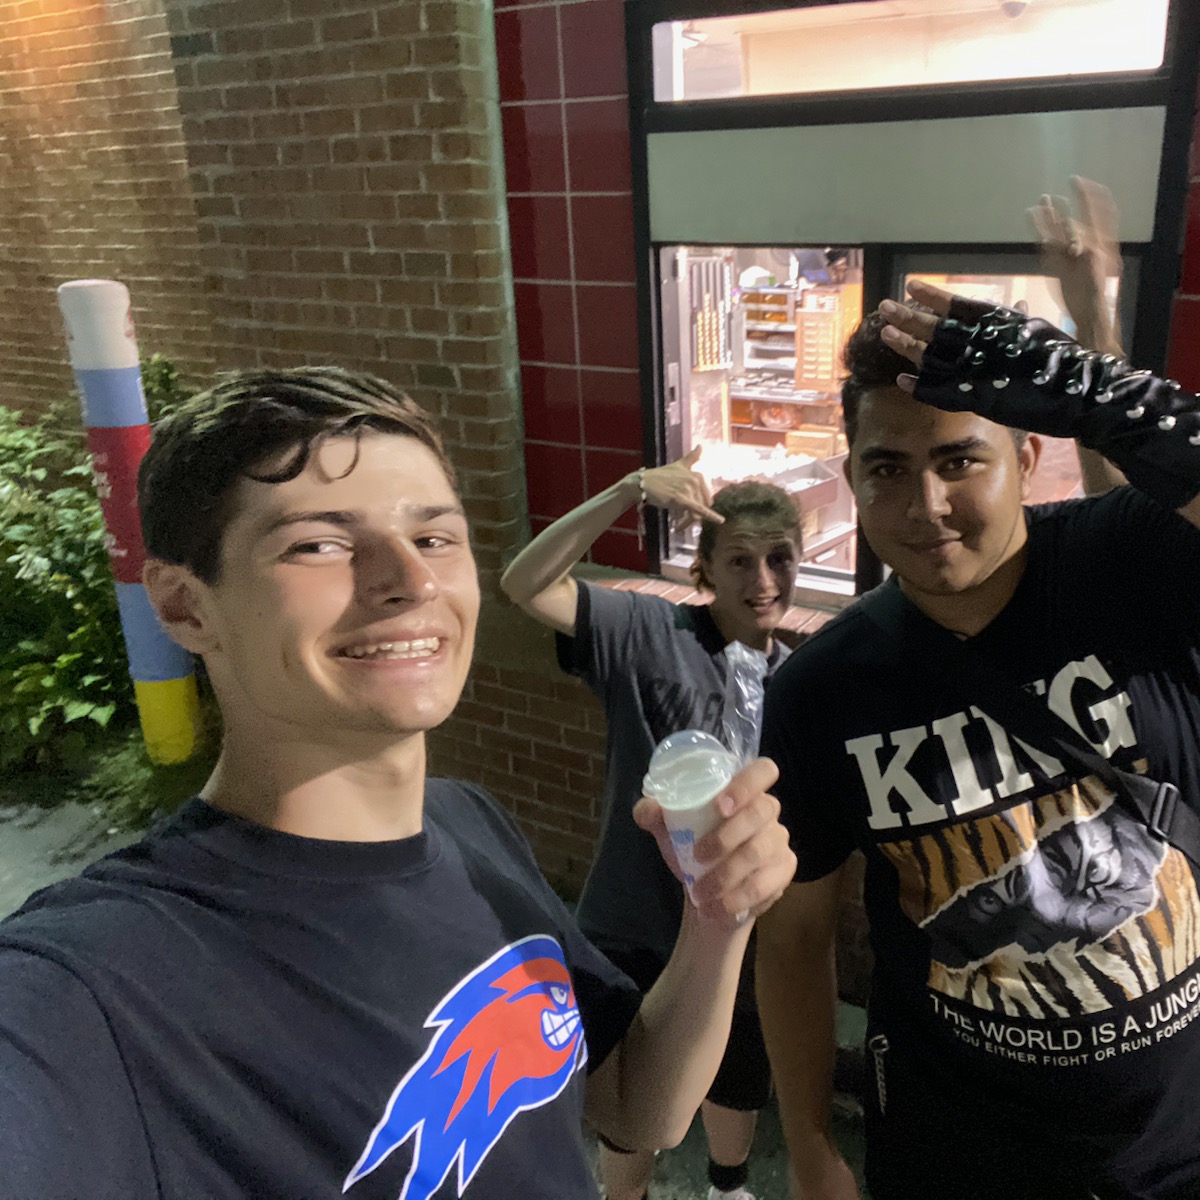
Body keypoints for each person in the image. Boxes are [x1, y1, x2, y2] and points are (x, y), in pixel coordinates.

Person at [0, 367, 796, 1200]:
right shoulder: (100, 988)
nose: (411, 581)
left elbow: (637, 1106)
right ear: (183, 605)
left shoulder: (473, 828)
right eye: (318, 544)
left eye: (435, 537)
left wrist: (718, 922)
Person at [753, 215, 1200, 1200]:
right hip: (958, 1150)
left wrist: (1095, 390)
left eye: (959, 461)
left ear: (1026, 458)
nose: (926, 506)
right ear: (851, 477)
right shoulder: (822, 687)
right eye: (887, 469)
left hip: (1183, 1140)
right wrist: (810, 1142)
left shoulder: (1121, 561)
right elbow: (794, 933)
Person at [501, 452, 806, 1200]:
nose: (763, 581)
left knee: (738, 1069)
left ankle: (728, 1186)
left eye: (780, 559)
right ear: (705, 570)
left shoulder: (800, 676)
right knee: (630, 1101)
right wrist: (626, 490)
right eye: (740, 561)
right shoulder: (649, 631)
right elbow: (525, 584)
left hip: (741, 928)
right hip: (635, 919)